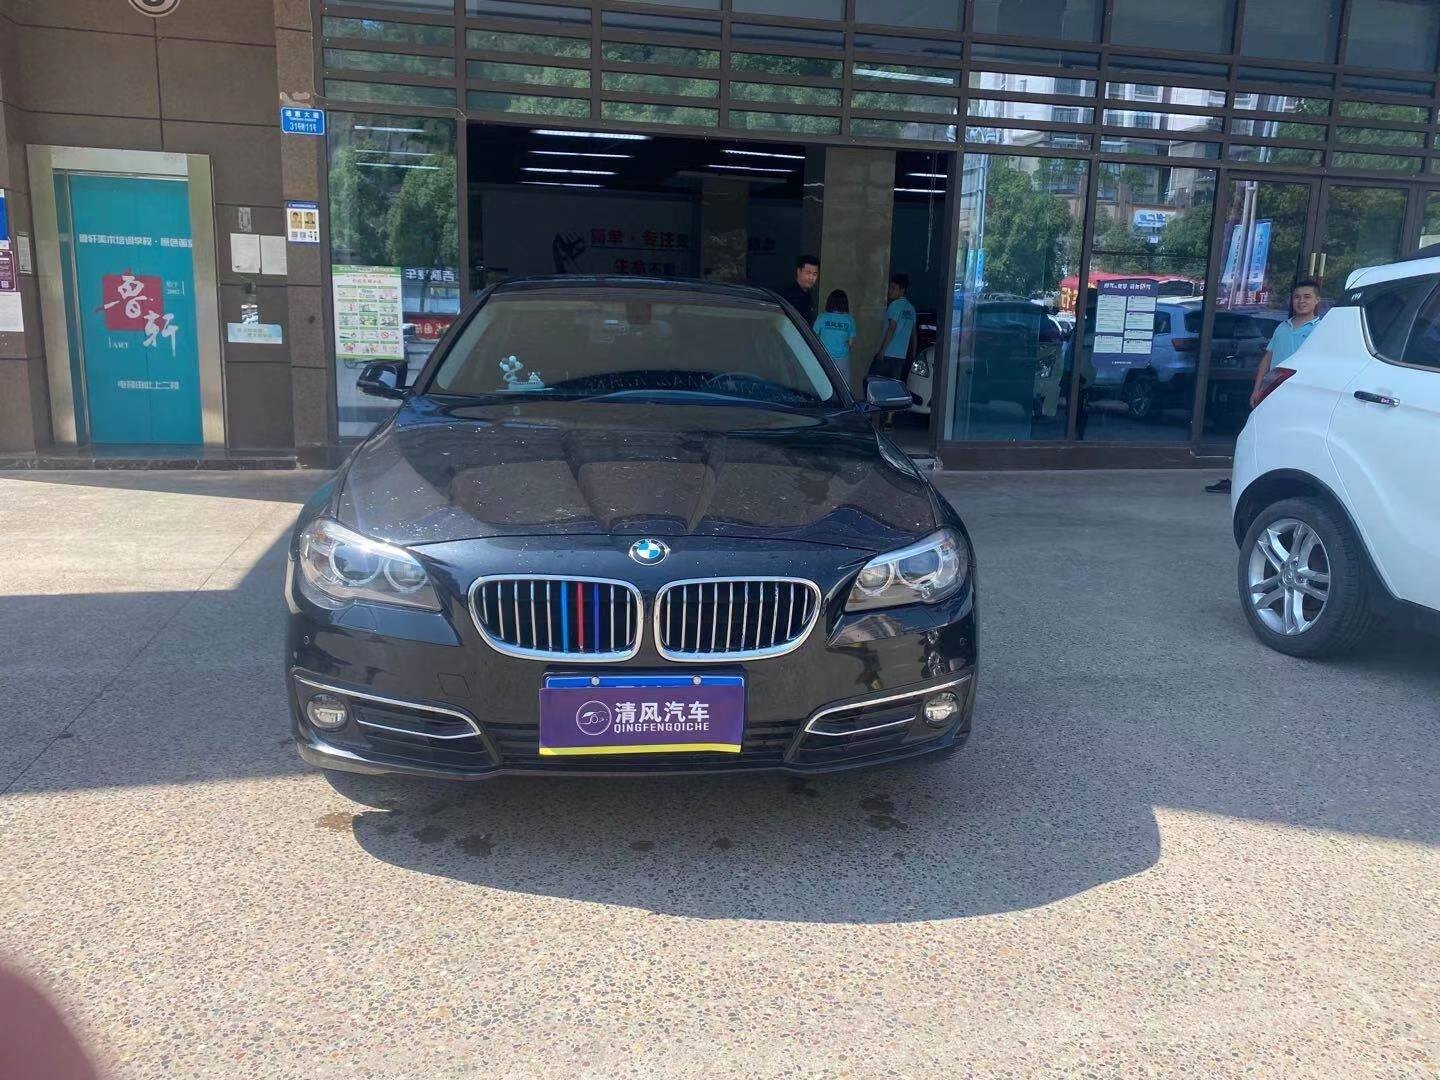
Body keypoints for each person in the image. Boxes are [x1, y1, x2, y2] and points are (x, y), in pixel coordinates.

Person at [1205, 277, 1323, 494]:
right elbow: (1267, 359)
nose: (1301, 301)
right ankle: (1247, 480)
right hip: (1273, 393)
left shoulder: (1321, 330)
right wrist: (1257, 389)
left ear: (1317, 300)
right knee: (1261, 436)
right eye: (1297, 297)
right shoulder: (1282, 328)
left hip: (1302, 395)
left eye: (1307, 297)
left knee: (1294, 439)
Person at [869, 272, 917, 384]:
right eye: (890, 288)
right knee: (892, 388)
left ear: (902, 290)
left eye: (894, 288)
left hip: (887, 354)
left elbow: (892, 327)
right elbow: (914, 334)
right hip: (901, 357)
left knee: (873, 383)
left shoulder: (894, 305)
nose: (890, 291)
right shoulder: (911, 309)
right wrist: (913, 354)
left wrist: (881, 352)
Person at [813, 289, 857, 365]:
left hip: (824, 356)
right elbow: (850, 343)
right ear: (845, 303)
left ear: (829, 302)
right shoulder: (850, 319)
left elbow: (814, 336)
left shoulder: (822, 317)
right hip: (842, 358)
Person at [781, 254, 820, 321]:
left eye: (814, 274)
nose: (811, 278)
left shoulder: (807, 294)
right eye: (808, 273)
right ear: (799, 271)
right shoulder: (790, 295)